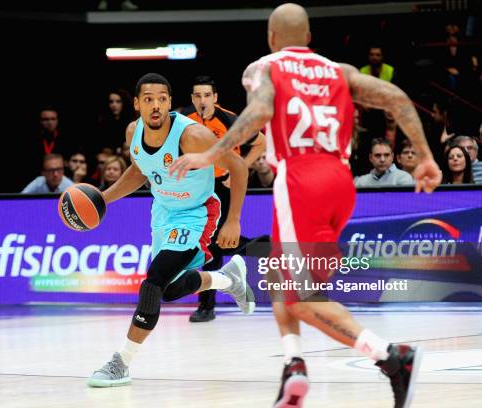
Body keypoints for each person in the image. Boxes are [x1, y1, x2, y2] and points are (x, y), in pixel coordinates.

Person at [169, 4, 442, 408]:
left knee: (301, 296)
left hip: (300, 180)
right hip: (340, 180)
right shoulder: (340, 71)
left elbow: (260, 110)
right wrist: (424, 155)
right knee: (282, 273)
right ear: (310, 38)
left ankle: (391, 358)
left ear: (272, 38)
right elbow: (397, 98)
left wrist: (211, 154)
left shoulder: (268, 66)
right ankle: (294, 366)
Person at [87, 73, 253, 388]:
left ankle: (120, 362)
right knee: (171, 290)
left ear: (169, 102)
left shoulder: (192, 135)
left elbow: (238, 166)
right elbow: (139, 171)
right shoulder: (133, 131)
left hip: (197, 214)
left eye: (162, 99)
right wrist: (104, 200)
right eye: (148, 99)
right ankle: (228, 278)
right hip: (163, 213)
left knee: (153, 283)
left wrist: (234, 220)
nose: (156, 105)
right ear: (136, 104)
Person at [182, 75, 267, 322]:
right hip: (198, 188)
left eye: (207, 95)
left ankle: (206, 306)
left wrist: (239, 168)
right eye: (197, 96)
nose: (202, 100)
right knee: (213, 243)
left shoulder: (229, 119)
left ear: (215, 98)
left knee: (213, 243)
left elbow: (261, 142)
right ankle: (267, 248)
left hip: (223, 187)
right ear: (192, 99)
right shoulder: (185, 120)